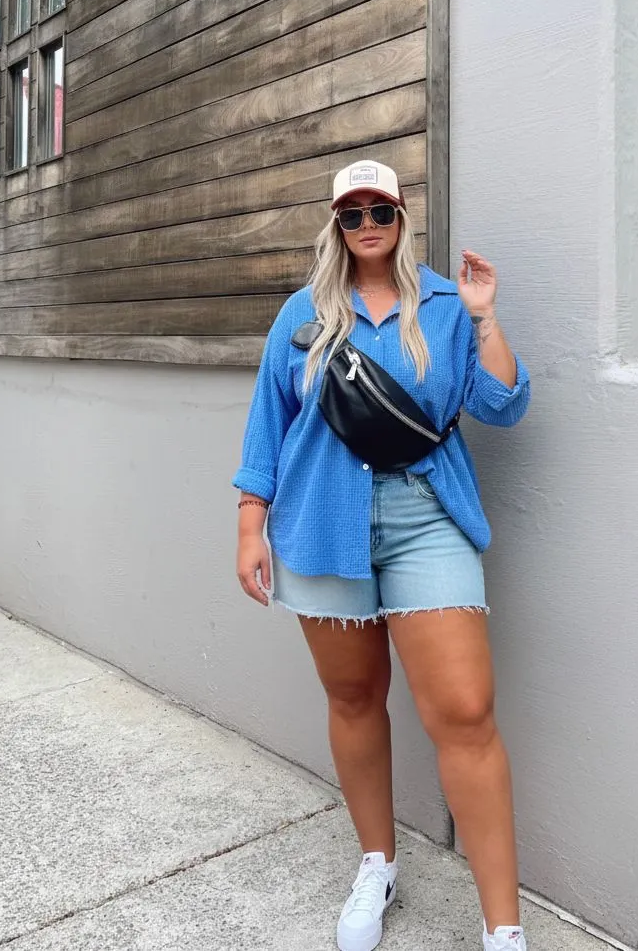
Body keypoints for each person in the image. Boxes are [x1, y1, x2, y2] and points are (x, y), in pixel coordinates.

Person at [233, 160, 531, 951]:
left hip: (424, 517)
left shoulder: (442, 304)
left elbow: (502, 404)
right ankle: (378, 861)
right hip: (321, 518)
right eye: (352, 214)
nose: (367, 225)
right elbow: (270, 423)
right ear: (335, 225)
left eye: (381, 211)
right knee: (355, 700)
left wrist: (485, 318)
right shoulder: (301, 314)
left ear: (402, 217)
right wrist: (248, 522)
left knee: (464, 711)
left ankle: (503, 928)